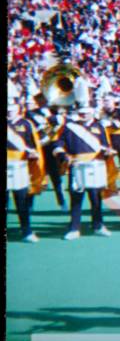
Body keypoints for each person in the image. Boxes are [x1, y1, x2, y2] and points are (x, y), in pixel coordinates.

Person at [53, 79, 114, 240]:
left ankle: (98, 225)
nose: (84, 114)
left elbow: (105, 145)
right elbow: (58, 144)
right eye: (82, 112)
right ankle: (74, 228)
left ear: (92, 112)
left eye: (87, 112)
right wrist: (62, 155)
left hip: (95, 165)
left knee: (96, 199)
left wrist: (108, 151)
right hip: (77, 166)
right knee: (76, 199)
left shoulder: (99, 126)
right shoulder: (69, 127)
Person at [7, 88, 46, 242]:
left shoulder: (26, 124)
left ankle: (27, 231)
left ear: (18, 109)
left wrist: (33, 153)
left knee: (22, 201)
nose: (9, 112)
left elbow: (32, 144)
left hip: (19, 166)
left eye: (12, 109)